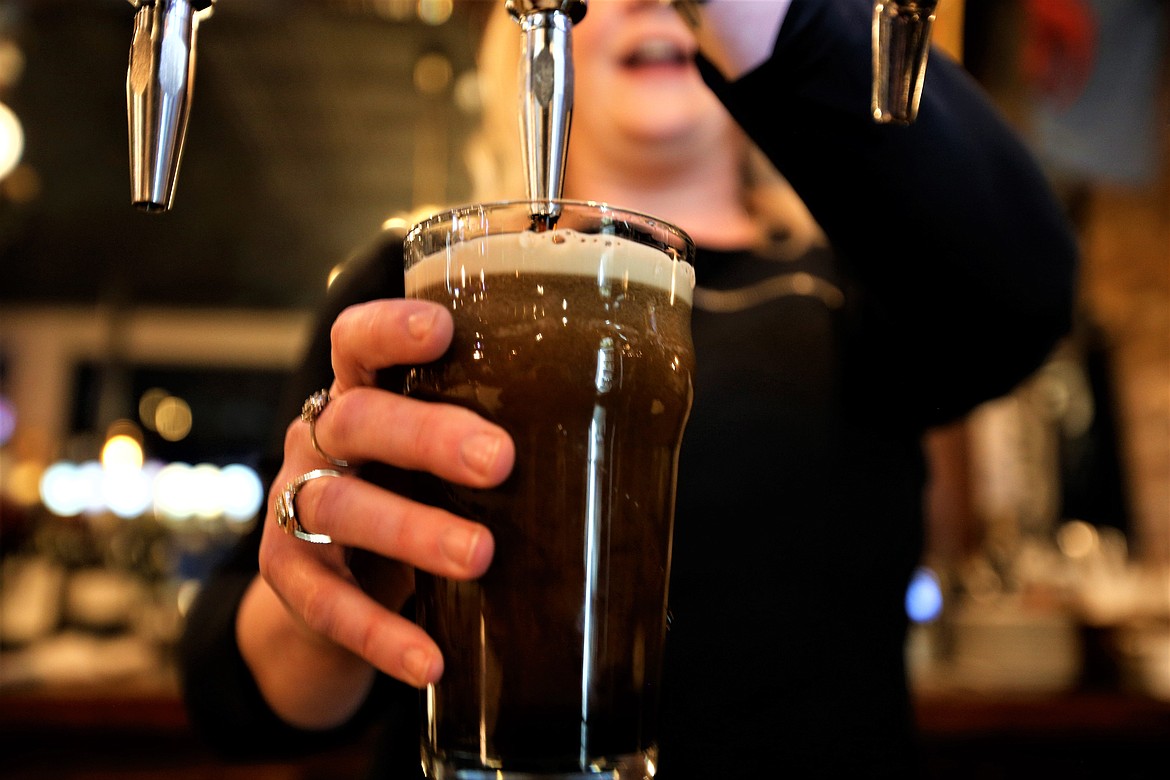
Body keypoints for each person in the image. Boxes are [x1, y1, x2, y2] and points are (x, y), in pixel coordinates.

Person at [179, 0, 1080, 776]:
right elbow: (231, 700)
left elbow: (1022, 289)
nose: (651, 1)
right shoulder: (420, 275)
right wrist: (319, 597)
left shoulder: (860, 291)